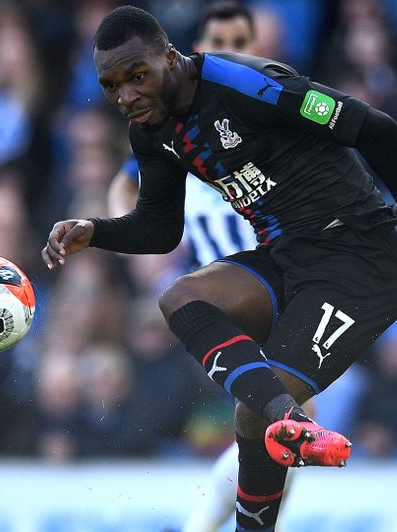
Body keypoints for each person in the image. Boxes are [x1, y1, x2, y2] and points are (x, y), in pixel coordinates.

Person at [42, 6, 397, 531]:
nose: (126, 96)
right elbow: (161, 227)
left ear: (170, 57)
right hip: (285, 257)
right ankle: (289, 423)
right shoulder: (149, 128)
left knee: (254, 413)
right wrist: (95, 231)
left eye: (137, 77)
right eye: (111, 86)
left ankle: (283, 422)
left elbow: (376, 128)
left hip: (359, 263)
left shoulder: (247, 84)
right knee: (182, 300)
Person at [107, 4, 307, 530]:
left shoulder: (266, 106)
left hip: (280, 282)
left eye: (241, 38)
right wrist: (138, 247)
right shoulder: (175, 121)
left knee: (280, 426)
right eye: (219, 38)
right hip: (227, 294)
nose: (230, 46)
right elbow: (128, 181)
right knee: (281, 423)